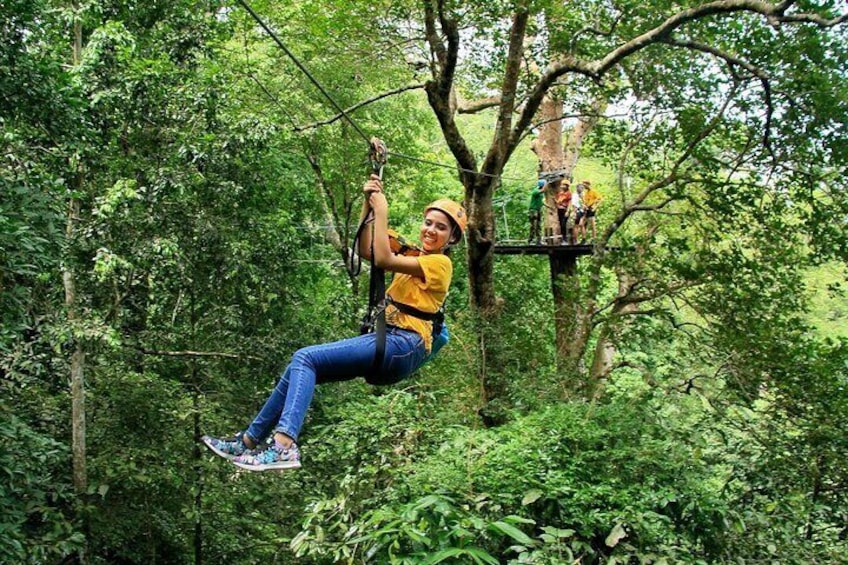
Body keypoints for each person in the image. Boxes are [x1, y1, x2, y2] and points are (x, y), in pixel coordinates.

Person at [201, 175, 466, 471]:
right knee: (298, 367)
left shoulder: (440, 264)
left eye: (441, 228)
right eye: (428, 223)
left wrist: (383, 209)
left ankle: (283, 446)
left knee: (305, 357)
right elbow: (367, 249)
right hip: (390, 339)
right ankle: (248, 442)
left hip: (403, 343)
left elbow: (382, 257)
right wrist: (369, 203)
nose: (431, 230)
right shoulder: (414, 254)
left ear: (452, 238)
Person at [528, 179, 548, 245]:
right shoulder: (535, 191)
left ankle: (538, 240)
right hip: (533, 210)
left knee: (538, 225)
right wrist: (546, 183)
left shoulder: (540, 193)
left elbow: (541, 201)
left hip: (539, 210)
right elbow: (543, 190)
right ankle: (531, 240)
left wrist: (548, 206)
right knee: (533, 225)